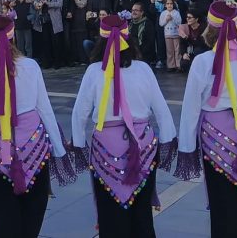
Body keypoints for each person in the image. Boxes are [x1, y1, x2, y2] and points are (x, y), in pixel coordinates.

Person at [0, 15, 71, 237]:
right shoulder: (30, 66)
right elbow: (44, 109)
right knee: (32, 216)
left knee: (0, 219)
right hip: (34, 149)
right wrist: (59, 148)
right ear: (13, 36)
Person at [175, 2, 237, 238]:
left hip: (216, 137)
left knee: (222, 200)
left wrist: (187, 147)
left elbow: (191, 108)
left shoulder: (201, 62)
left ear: (209, 31)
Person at [70, 15, 175, 237]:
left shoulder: (93, 71)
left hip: (106, 147)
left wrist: (78, 143)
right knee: (141, 210)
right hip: (143, 145)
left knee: (111, 210)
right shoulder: (144, 69)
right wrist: (168, 140)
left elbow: (80, 113)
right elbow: (161, 110)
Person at [160, 0, 182, 72]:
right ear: (165, 5)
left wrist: (172, 19)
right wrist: (166, 20)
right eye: (168, 4)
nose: (169, 5)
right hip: (167, 34)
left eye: (171, 3)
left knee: (177, 50)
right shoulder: (163, 13)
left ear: (173, 4)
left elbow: (179, 23)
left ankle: (178, 65)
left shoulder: (176, 12)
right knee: (169, 50)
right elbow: (161, 24)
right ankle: (171, 65)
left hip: (176, 34)